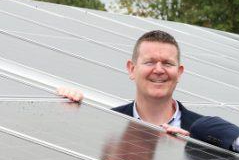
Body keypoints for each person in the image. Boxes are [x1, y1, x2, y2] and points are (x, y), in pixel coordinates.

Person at [57, 30, 203, 129]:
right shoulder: (106, 125)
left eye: (167, 63)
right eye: (149, 62)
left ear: (179, 72)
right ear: (132, 69)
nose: (159, 70)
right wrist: (65, 111)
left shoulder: (205, 131)